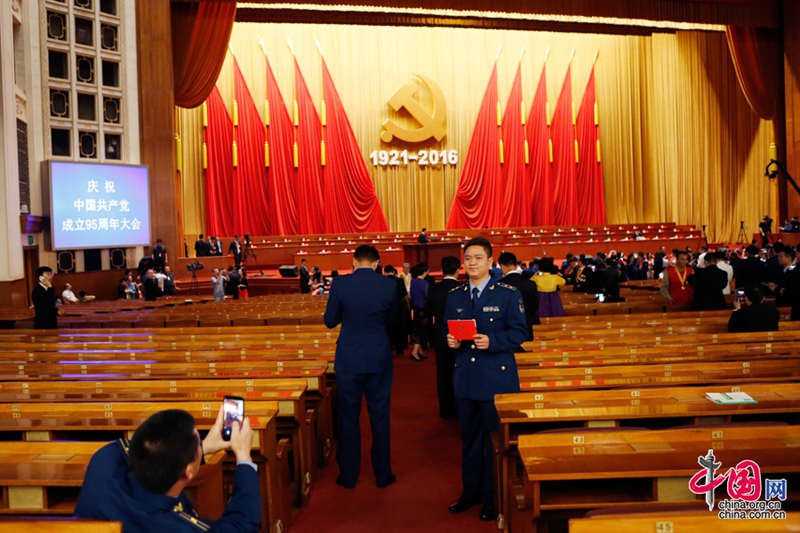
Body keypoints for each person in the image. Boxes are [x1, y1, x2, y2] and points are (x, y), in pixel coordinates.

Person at [74, 406, 261, 533]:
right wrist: (243, 456)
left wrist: (204, 446)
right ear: (187, 472)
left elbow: (151, 449)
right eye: (197, 443)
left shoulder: (104, 461)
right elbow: (241, 525)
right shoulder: (176, 527)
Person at [445, 238, 527, 522]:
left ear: (491, 262)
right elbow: (449, 332)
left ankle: (493, 498)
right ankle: (470, 493)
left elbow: (520, 333)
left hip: (496, 381)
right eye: (468, 258)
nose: (472, 263)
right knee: (469, 441)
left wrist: (493, 341)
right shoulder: (454, 296)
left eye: (478, 258)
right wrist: (451, 342)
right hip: (466, 379)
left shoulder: (506, 293)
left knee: (495, 444)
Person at [323, 245, 398, 489]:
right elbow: (394, 322)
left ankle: (348, 476)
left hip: (349, 358)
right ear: (377, 263)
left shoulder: (341, 284)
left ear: (354, 261)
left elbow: (330, 321)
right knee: (380, 417)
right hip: (378, 357)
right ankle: (383, 475)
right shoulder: (389, 285)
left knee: (348, 417)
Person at [425, 256, 461, 420]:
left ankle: (446, 410)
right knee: (461, 372)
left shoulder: (434, 289)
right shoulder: (462, 289)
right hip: (461, 335)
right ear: (458, 270)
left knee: (443, 373)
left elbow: (429, 311)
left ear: (441, 270)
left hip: (440, 334)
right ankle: (462, 407)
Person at [498, 251, 539, 342]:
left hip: (506, 330)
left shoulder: (498, 285)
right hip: (526, 327)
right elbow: (535, 308)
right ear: (516, 266)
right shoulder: (531, 284)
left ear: (502, 266)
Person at [383, 265, 409, 355]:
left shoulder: (383, 281)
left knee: (388, 328)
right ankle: (399, 348)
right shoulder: (399, 280)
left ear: (385, 272)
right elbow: (405, 294)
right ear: (394, 272)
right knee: (399, 327)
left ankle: (389, 347)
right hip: (399, 306)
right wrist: (408, 304)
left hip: (387, 307)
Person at [409, 263, 430, 361]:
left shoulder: (413, 281)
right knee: (421, 330)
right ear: (425, 272)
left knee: (417, 327)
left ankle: (419, 351)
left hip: (416, 308)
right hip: (423, 308)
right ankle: (414, 351)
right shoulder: (424, 282)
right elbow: (427, 295)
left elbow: (411, 295)